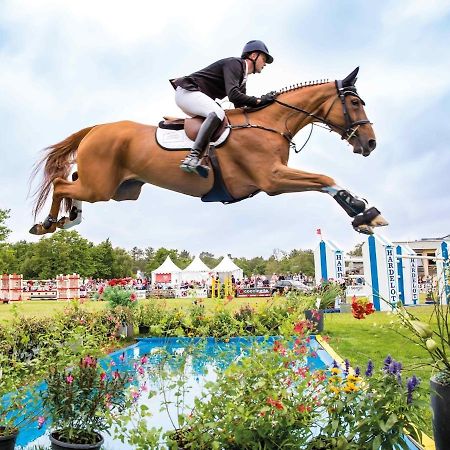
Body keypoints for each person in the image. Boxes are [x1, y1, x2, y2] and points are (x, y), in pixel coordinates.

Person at [170, 40, 275, 176]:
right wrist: (259, 100)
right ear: (254, 55)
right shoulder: (235, 64)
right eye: (264, 58)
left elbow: (240, 106)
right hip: (187, 92)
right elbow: (234, 96)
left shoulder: (242, 78)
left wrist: (264, 104)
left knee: (222, 116)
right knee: (217, 112)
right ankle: (192, 158)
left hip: (193, 96)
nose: (265, 63)